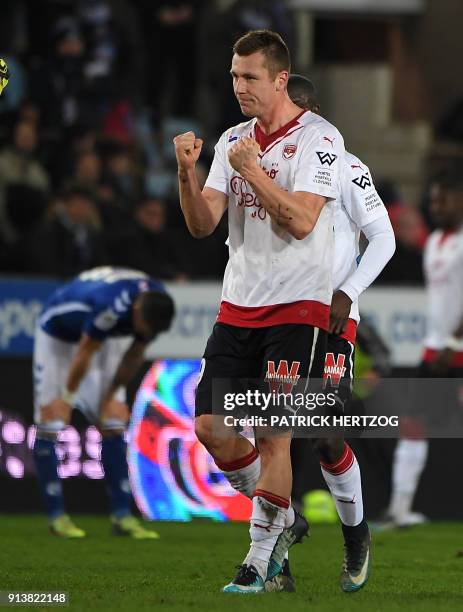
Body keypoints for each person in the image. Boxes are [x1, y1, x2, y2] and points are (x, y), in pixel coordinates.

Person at [174, 30, 345, 594]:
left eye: (249, 77)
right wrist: (187, 173)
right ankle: (282, 522)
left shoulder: (321, 139)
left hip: (297, 308)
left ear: (278, 78)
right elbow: (204, 225)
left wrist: (253, 171)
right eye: (233, 75)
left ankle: (256, 564)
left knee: (275, 436)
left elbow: (301, 221)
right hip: (238, 307)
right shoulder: (232, 140)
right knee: (210, 428)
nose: (238, 86)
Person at [268, 74, 395, 592]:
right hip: (274, 316)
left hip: (330, 318)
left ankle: (356, 534)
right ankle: (277, 553)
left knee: (320, 431)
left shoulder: (345, 165)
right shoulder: (261, 162)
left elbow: (383, 238)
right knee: (271, 431)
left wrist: (347, 292)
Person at [33, 266, 175, 538]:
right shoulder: (113, 305)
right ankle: (56, 517)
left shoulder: (155, 306)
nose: (142, 333)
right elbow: (85, 350)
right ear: (135, 311)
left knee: (113, 421)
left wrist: (111, 395)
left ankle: (122, 518)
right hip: (59, 334)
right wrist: (65, 399)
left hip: (104, 336)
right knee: (52, 419)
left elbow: (135, 354)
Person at [383, 165, 463, 528]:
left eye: (443, 200)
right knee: (414, 426)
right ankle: (400, 509)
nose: (436, 207)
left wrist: (453, 341)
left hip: (455, 350)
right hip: (435, 350)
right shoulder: (433, 242)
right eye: (432, 201)